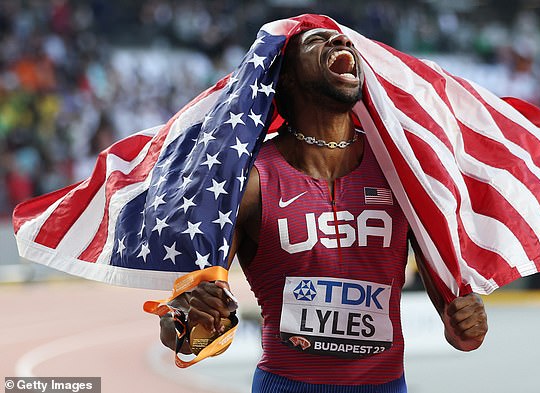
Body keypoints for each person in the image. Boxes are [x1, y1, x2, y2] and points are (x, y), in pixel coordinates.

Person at [159, 27, 488, 392]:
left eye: (347, 41)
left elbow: (462, 337)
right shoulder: (251, 182)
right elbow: (187, 340)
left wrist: (465, 319)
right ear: (287, 77)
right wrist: (194, 322)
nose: (342, 42)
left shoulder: (401, 169)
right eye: (316, 41)